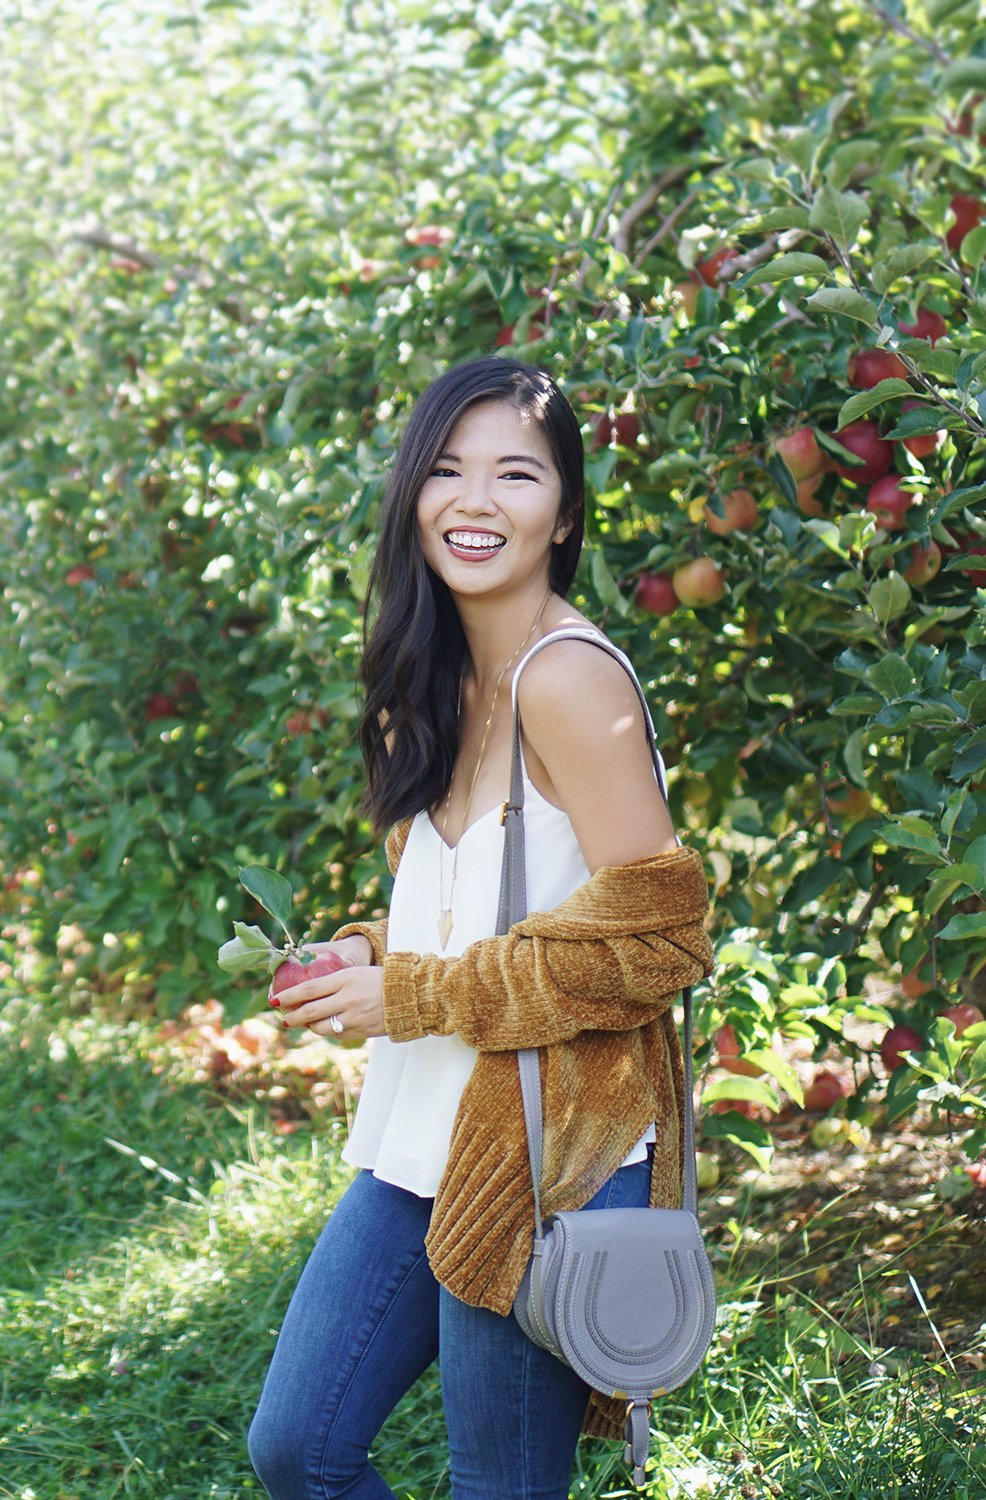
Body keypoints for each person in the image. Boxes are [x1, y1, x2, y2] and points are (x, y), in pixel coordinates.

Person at [244, 357, 715, 1500]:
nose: (475, 500)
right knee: (297, 1447)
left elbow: (658, 944)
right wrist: (367, 951)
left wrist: (406, 995)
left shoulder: (569, 681)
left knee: (497, 1487)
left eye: (515, 474)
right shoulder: (439, 680)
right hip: (418, 1142)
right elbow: (483, 906)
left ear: (560, 516)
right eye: (446, 470)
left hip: (544, 1154)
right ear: (411, 496)